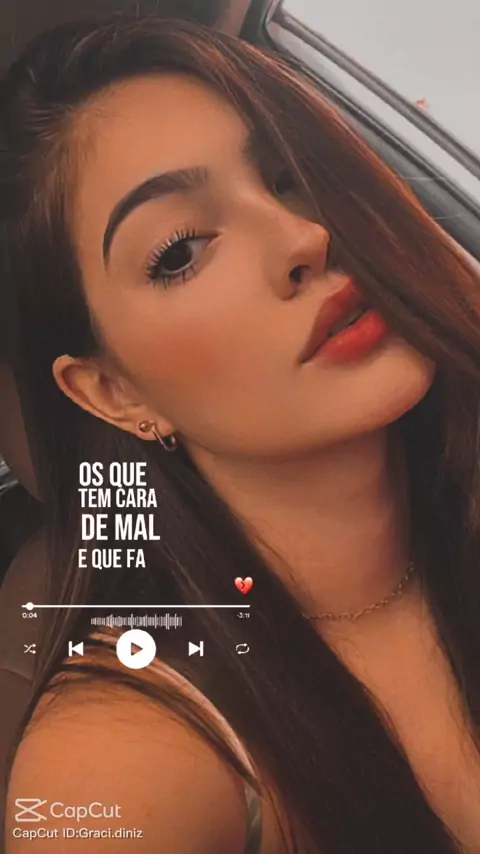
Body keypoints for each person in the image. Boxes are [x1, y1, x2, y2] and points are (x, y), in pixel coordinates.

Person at [2, 12, 480, 854]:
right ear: (113, 392)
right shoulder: (118, 763)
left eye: (291, 176)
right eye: (180, 251)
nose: (304, 238)